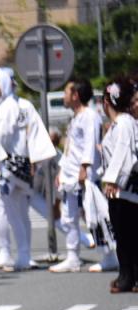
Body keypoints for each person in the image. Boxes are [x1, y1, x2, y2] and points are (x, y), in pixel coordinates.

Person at [0, 67, 56, 272]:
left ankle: (14, 253)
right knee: (19, 212)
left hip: (8, 167)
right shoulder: (11, 105)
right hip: (21, 165)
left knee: (4, 210)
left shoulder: (8, 107)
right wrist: (35, 160)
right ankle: (23, 254)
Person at [51, 78, 102, 273]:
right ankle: (73, 256)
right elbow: (70, 149)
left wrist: (85, 168)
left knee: (93, 215)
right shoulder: (75, 117)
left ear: (76, 95)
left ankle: (108, 254)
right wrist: (62, 170)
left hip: (84, 175)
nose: (63, 96)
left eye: (66, 92)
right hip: (70, 176)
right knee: (68, 217)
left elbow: (90, 144)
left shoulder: (90, 116)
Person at [100, 77, 138, 293]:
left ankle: (127, 277)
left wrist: (112, 179)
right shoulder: (122, 123)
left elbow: (123, 153)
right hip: (123, 188)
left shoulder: (123, 123)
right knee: (126, 235)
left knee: (127, 235)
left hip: (123, 189)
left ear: (107, 101)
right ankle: (129, 275)